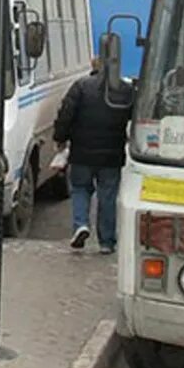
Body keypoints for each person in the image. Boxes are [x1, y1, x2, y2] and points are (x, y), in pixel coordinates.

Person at [54, 56, 133, 254]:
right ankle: (106, 242)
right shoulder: (125, 90)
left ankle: (81, 224)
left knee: (80, 189)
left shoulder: (80, 86)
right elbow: (136, 115)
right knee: (107, 195)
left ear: (93, 66)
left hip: (82, 151)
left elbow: (66, 114)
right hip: (112, 155)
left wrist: (60, 138)